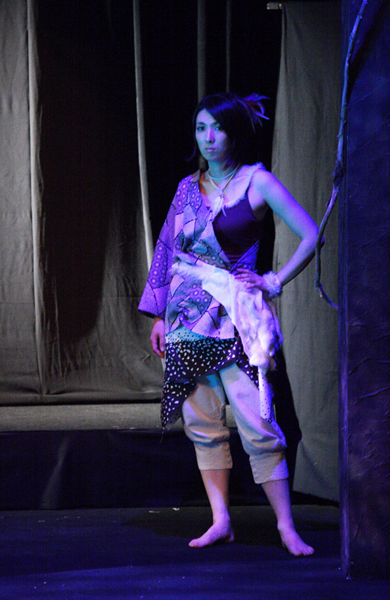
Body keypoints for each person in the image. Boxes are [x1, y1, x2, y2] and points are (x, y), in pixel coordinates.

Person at [139, 92, 318, 556]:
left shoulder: (257, 182)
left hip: (235, 318)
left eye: (217, 127)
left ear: (235, 132)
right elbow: (166, 250)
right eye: (201, 128)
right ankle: (221, 520)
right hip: (186, 319)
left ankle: (286, 526)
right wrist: (158, 314)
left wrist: (273, 280)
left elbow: (310, 233)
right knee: (202, 423)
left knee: (259, 423)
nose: (209, 137)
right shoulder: (186, 188)